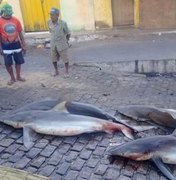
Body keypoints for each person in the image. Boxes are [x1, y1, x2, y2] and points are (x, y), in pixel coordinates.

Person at [0, 4, 26, 85]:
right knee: (8, 63)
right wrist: (0, 48)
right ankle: (12, 78)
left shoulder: (16, 20)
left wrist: (23, 45)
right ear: (3, 12)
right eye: (7, 13)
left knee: (18, 61)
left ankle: (18, 76)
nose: (9, 15)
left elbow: (20, 33)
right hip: (6, 46)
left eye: (10, 13)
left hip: (16, 44)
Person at [47, 7, 70, 78]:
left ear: (57, 15)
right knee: (53, 59)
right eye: (50, 14)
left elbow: (68, 33)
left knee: (65, 59)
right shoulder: (49, 22)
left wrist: (66, 41)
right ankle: (56, 71)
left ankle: (66, 72)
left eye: (52, 15)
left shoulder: (63, 23)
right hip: (53, 44)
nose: (51, 16)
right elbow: (50, 31)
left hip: (62, 44)